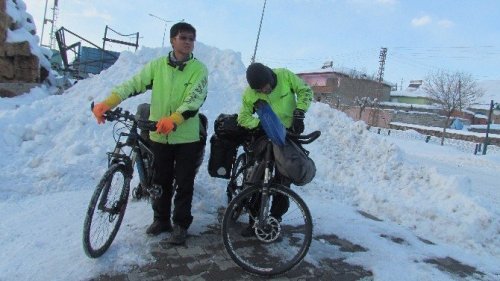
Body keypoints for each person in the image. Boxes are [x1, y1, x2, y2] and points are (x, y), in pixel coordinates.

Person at [92, 22, 208, 245]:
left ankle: (181, 225)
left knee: (184, 183)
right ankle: (161, 220)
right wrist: (108, 102)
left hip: (186, 137)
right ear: (172, 40)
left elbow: (194, 99)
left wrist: (174, 120)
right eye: (183, 38)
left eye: (191, 39)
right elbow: (134, 84)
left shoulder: (199, 69)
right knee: (160, 180)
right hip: (159, 135)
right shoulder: (157, 66)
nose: (188, 42)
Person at [237, 62, 313, 236]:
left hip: (288, 134)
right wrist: (260, 124)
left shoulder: (285, 76)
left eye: (266, 87)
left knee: (283, 179)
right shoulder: (250, 93)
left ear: (271, 78)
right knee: (258, 177)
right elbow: (243, 117)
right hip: (265, 135)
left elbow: (305, 91)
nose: (264, 91)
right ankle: (254, 221)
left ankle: (274, 220)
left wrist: (299, 112)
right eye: (259, 90)